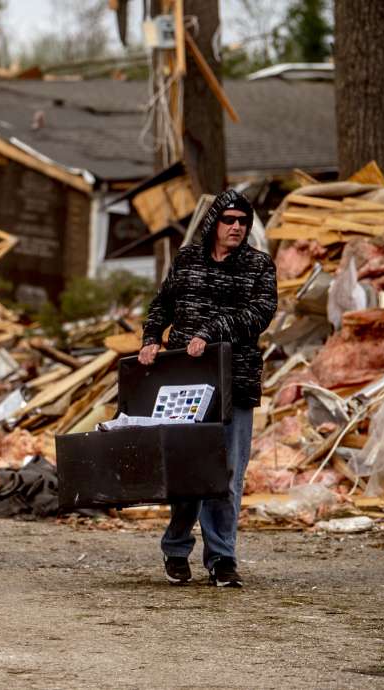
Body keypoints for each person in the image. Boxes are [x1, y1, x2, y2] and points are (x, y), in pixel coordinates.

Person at [138, 188, 276, 588]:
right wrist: (151, 338)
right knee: (186, 468)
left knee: (227, 474)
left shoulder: (258, 266)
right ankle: (176, 547)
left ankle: (222, 559)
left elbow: (260, 312)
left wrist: (211, 331)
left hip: (236, 381)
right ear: (213, 222)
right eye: (229, 219)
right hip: (186, 381)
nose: (236, 227)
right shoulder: (186, 260)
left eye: (243, 221)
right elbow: (163, 304)